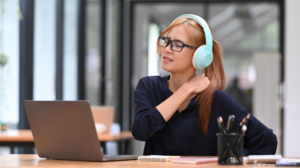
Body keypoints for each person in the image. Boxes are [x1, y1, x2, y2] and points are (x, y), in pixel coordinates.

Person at [132, 14, 277, 156]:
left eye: (177, 44)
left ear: (200, 55)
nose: (167, 49)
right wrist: (186, 90)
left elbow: (266, 140)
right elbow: (141, 131)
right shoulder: (148, 86)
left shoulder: (216, 99)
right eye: (166, 41)